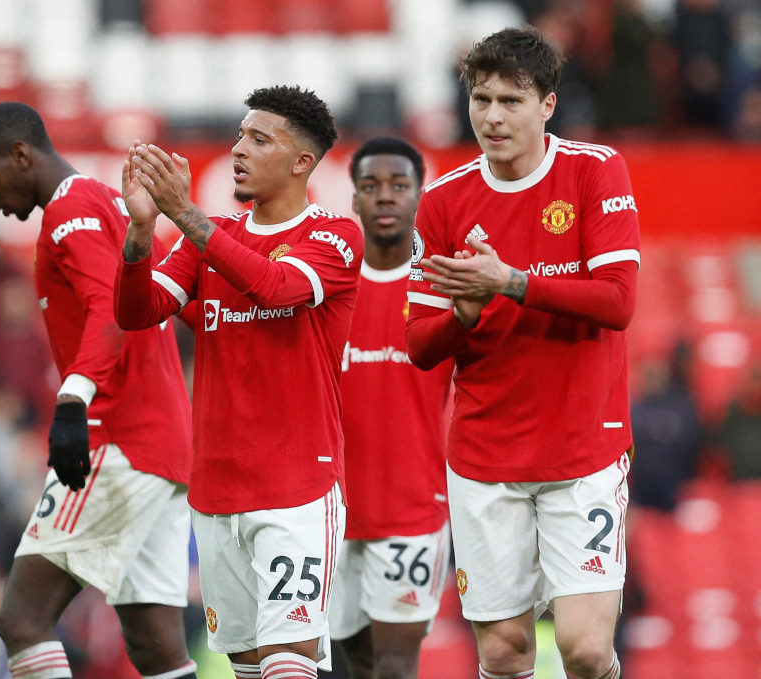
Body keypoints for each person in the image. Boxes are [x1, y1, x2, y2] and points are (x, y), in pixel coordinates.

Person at [405, 27, 640, 679]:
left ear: (547, 105)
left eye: (511, 100)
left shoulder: (595, 171)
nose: (493, 116)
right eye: (481, 99)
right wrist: (464, 313)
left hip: (584, 447)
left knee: (586, 649)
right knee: (504, 649)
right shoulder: (445, 201)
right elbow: (422, 347)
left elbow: (619, 301)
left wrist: (511, 281)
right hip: (486, 456)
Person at [114, 86, 362, 679]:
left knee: (287, 661)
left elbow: (274, 286)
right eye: (238, 135)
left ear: (302, 161)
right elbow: (137, 311)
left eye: (258, 139)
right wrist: (143, 232)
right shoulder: (210, 240)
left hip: (297, 487)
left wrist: (186, 217)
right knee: (250, 667)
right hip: (218, 491)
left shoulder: (333, 238)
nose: (238, 149)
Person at [0, 102, 196, 679]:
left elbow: (108, 309)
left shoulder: (70, 208)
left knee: (22, 619)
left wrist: (73, 399)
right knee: (155, 642)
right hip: (164, 446)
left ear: (21, 155)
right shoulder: (110, 205)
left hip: (116, 439)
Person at [329, 138, 452, 679]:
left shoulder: (442, 287)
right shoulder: (327, 286)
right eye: (371, 187)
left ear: (419, 196)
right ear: (353, 198)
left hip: (411, 509)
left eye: (399, 186)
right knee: (349, 662)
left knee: (396, 666)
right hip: (330, 507)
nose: (385, 198)